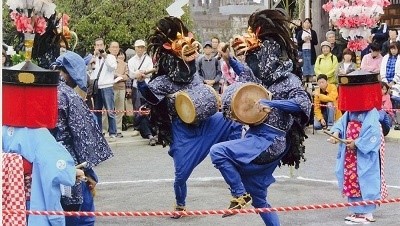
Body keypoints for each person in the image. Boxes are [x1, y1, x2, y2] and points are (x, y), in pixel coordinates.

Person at [210, 9, 311, 225]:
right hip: (256, 138)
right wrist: (228, 59)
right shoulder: (260, 78)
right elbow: (246, 73)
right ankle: (249, 196)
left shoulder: (289, 80)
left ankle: (239, 193)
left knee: (218, 151)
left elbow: (304, 104)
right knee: (260, 201)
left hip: (272, 140)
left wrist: (271, 102)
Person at [136, 16, 242, 217]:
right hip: (183, 131)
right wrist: (141, 83)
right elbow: (151, 97)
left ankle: (238, 188)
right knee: (181, 175)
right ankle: (180, 205)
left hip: (207, 122)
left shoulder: (193, 73)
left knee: (232, 118)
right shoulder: (165, 81)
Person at [2, 60, 82, 226]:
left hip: (7, 198)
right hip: (30, 199)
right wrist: (72, 171)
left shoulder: (4, 128)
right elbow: (56, 167)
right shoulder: (38, 134)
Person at [50, 51, 114, 226]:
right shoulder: (69, 96)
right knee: (83, 217)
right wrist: (90, 174)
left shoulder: (43, 91)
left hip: (43, 163)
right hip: (69, 162)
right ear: (70, 72)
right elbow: (83, 138)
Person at [328, 71, 387, 224]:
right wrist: (335, 132)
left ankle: (367, 213)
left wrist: (357, 143)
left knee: (365, 179)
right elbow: (341, 123)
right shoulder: (350, 111)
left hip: (363, 154)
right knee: (351, 179)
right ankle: (356, 211)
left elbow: (373, 133)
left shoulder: (371, 112)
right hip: (350, 154)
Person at [89, 38, 118, 141]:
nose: (99, 47)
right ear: (94, 47)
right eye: (97, 45)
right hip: (97, 87)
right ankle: (99, 132)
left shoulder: (110, 57)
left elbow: (112, 67)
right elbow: (89, 71)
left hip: (107, 86)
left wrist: (105, 56)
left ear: (104, 46)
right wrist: (93, 58)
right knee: (97, 111)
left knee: (110, 110)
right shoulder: (93, 58)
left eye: (101, 45)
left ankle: (113, 133)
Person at [296, 18, 318, 82]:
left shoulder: (313, 32)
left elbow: (316, 42)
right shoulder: (300, 32)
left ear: (310, 24)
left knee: (310, 66)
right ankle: (304, 80)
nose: (307, 24)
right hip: (302, 51)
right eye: (305, 22)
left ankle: (310, 81)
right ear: (303, 24)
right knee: (304, 65)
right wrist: (304, 40)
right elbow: (298, 43)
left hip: (310, 51)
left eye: (308, 23)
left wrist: (311, 39)